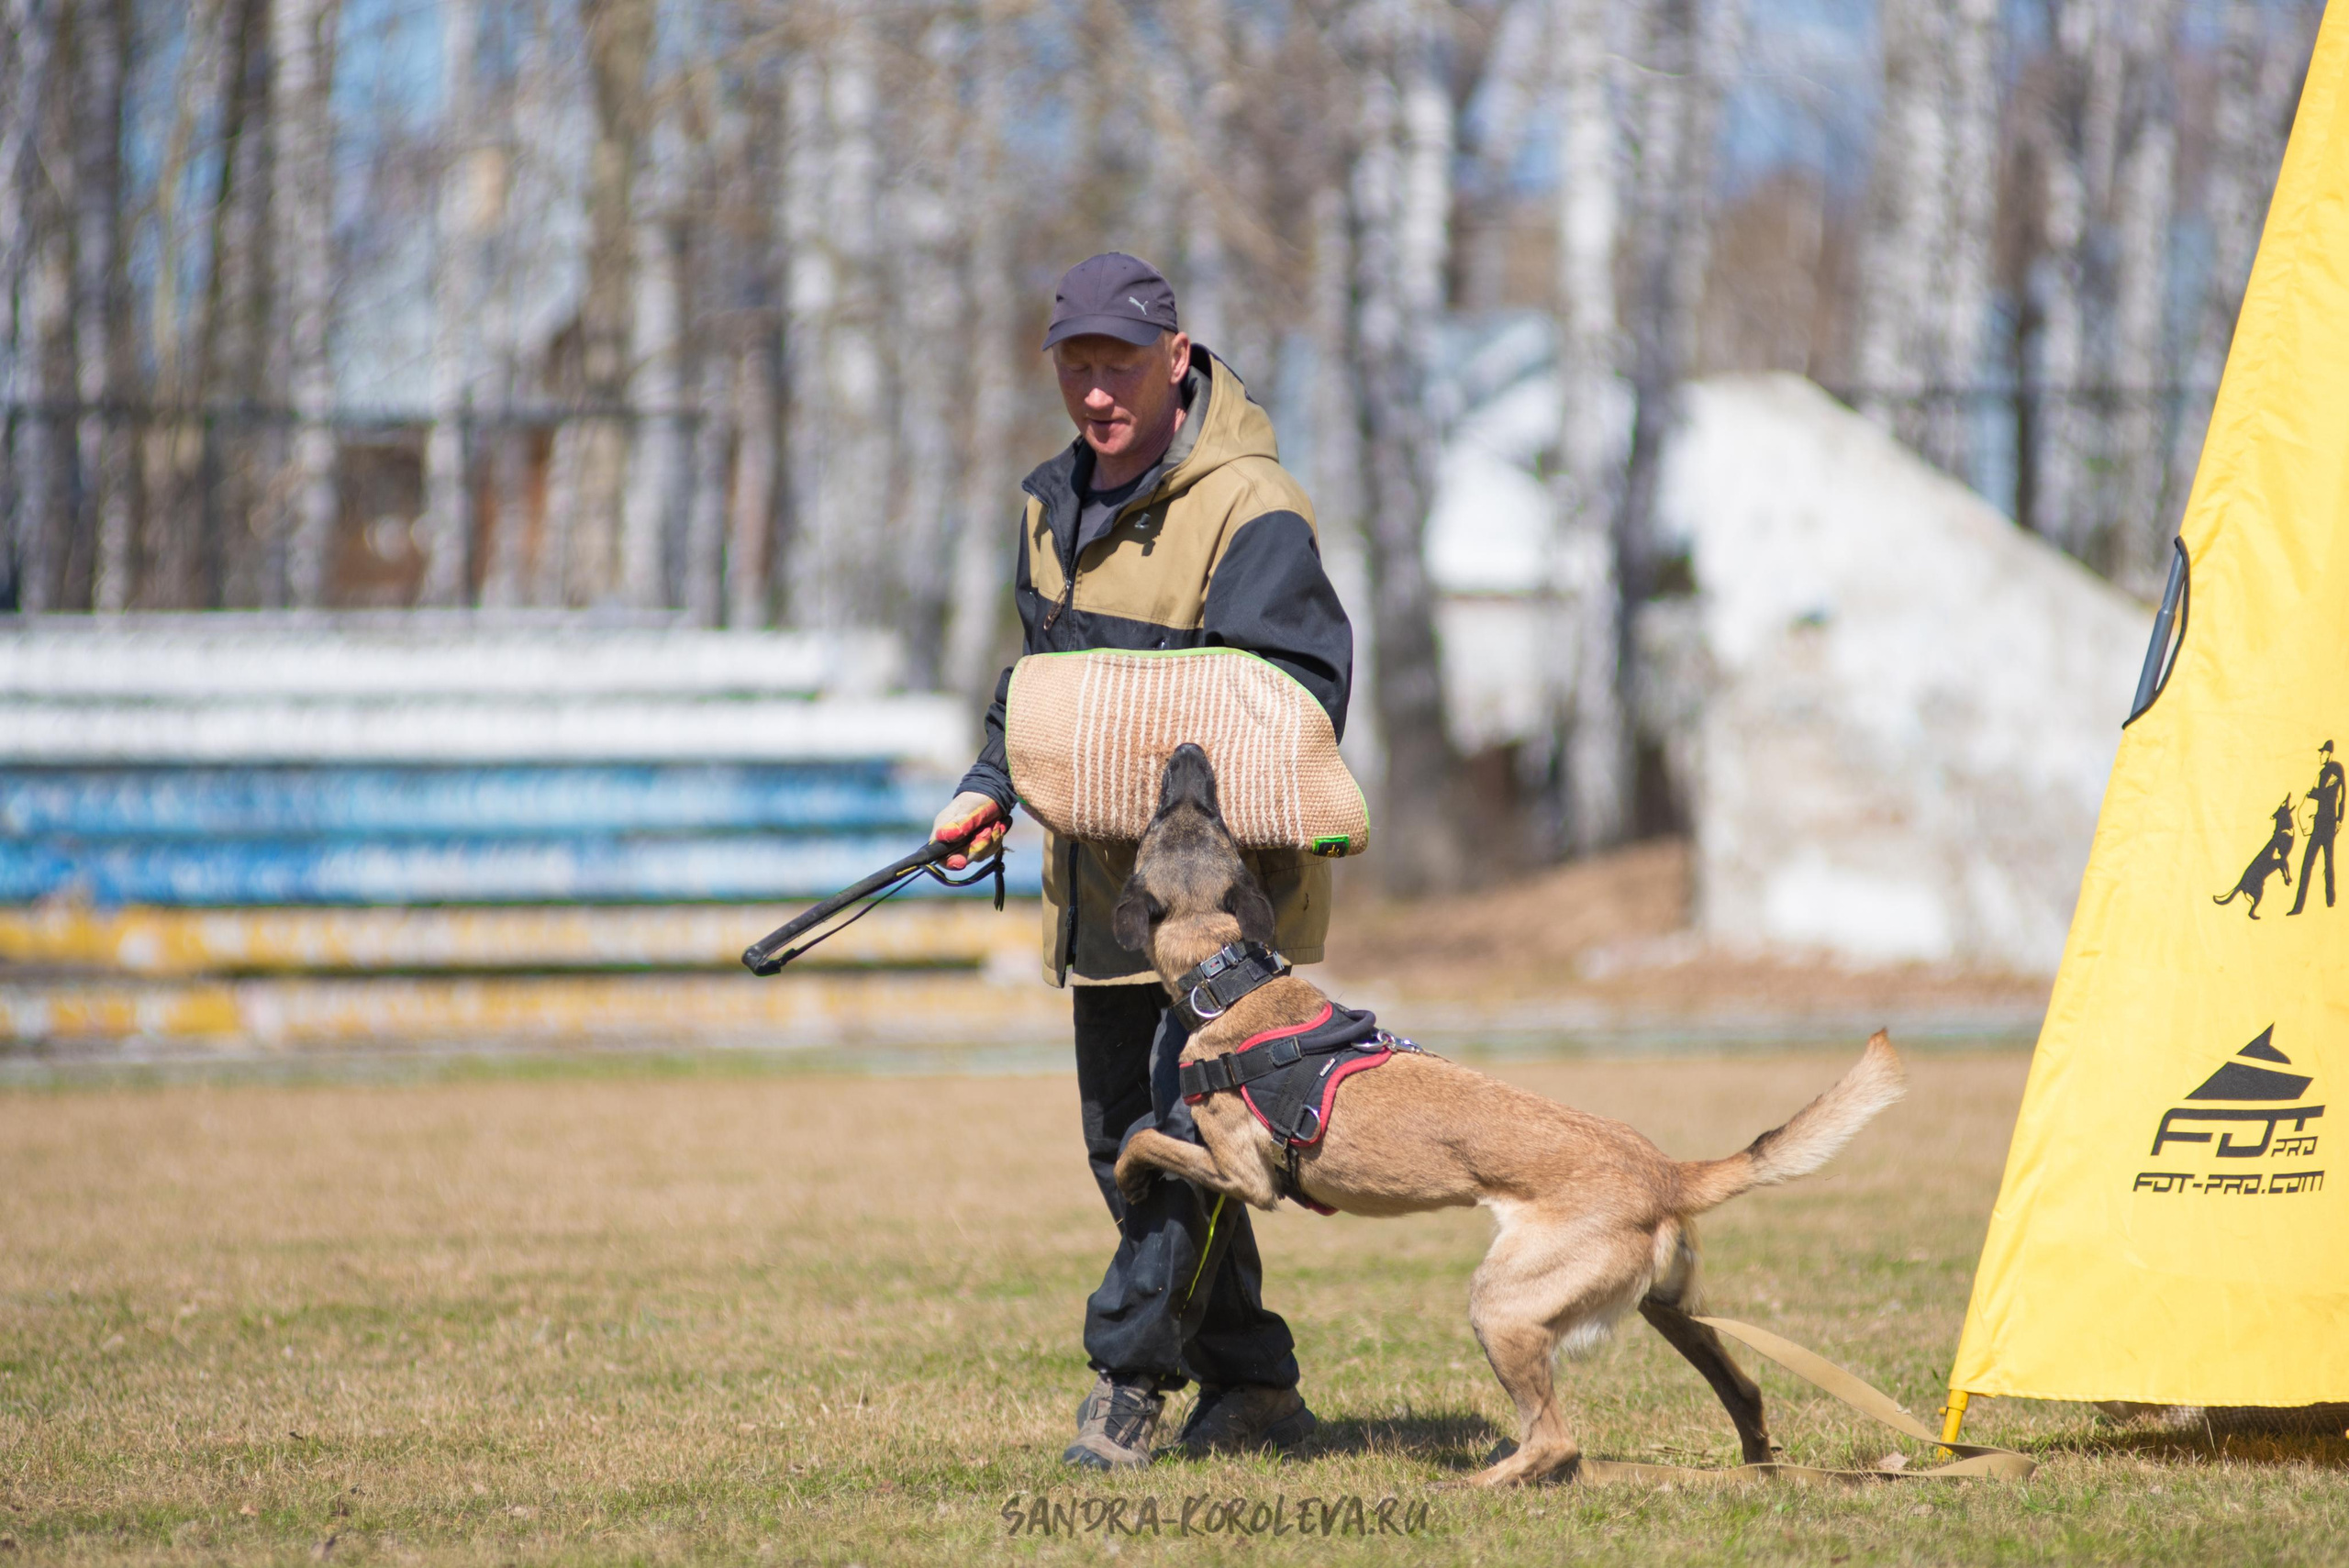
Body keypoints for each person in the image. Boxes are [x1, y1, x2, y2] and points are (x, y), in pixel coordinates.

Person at [930, 253, 1353, 1469]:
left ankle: (1126, 1379)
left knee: (1181, 1144)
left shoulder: (1253, 506)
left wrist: (1145, 774)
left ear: (1177, 360)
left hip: (1224, 910)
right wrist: (990, 786)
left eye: (1120, 365)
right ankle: (1257, 1387)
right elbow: (1038, 694)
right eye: (1077, 366)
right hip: (1101, 904)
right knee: (1128, 1143)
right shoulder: (1044, 501)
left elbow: (1299, 701)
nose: (1097, 392)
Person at [2288, 740, 2342, 915]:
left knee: (2325, 864)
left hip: (2327, 824)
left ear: (2329, 753)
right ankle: (2301, 906)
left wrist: (2339, 819)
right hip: (2321, 822)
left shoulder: (2335, 768)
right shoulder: (2323, 772)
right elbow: (2318, 792)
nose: (2321, 755)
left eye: (2323, 752)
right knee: (2310, 864)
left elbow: (2337, 794)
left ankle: (2329, 903)